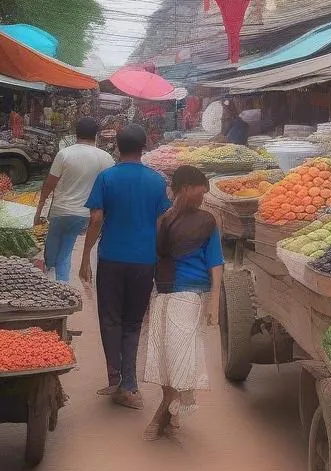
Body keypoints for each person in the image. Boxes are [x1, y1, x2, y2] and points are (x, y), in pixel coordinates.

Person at [79, 124, 172, 410]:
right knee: (133, 322)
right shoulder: (157, 181)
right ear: (144, 147)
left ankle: (115, 378)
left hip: (111, 258)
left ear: (117, 147)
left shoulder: (106, 178)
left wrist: (85, 257)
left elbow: (95, 220)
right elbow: (161, 224)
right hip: (144, 260)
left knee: (110, 319)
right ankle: (129, 385)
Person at [141, 165, 223, 441]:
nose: (204, 197)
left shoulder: (207, 221)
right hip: (164, 292)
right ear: (186, 188)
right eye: (201, 191)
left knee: (178, 357)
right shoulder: (163, 220)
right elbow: (157, 260)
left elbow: (216, 262)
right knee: (165, 359)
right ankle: (173, 411)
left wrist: (213, 304)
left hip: (189, 296)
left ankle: (160, 415)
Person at [34, 117, 113, 282]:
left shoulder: (64, 154)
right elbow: (110, 189)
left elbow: (49, 184)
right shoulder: (107, 159)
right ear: (96, 135)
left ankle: (60, 285)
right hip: (84, 214)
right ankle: (55, 280)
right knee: (62, 249)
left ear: (75, 134)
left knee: (58, 251)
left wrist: (39, 208)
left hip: (60, 211)